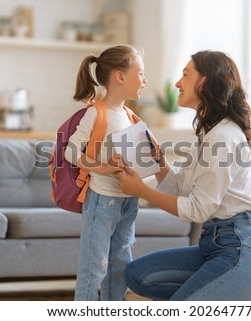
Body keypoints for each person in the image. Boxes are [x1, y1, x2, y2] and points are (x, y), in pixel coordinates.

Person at [117, 50, 251, 301]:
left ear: (207, 81)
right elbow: (177, 185)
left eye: (186, 75)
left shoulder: (222, 137)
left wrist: (141, 191)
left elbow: (198, 209)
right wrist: (157, 159)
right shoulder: (209, 135)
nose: (178, 83)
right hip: (214, 245)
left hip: (241, 248)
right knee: (137, 275)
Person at [64, 45, 147, 301]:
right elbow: (70, 152)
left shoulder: (131, 116)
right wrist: (103, 166)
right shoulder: (95, 113)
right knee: (94, 267)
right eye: (140, 73)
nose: (145, 80)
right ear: (120, 77)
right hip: (102, 201)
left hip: (128, 203)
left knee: (120, 268)